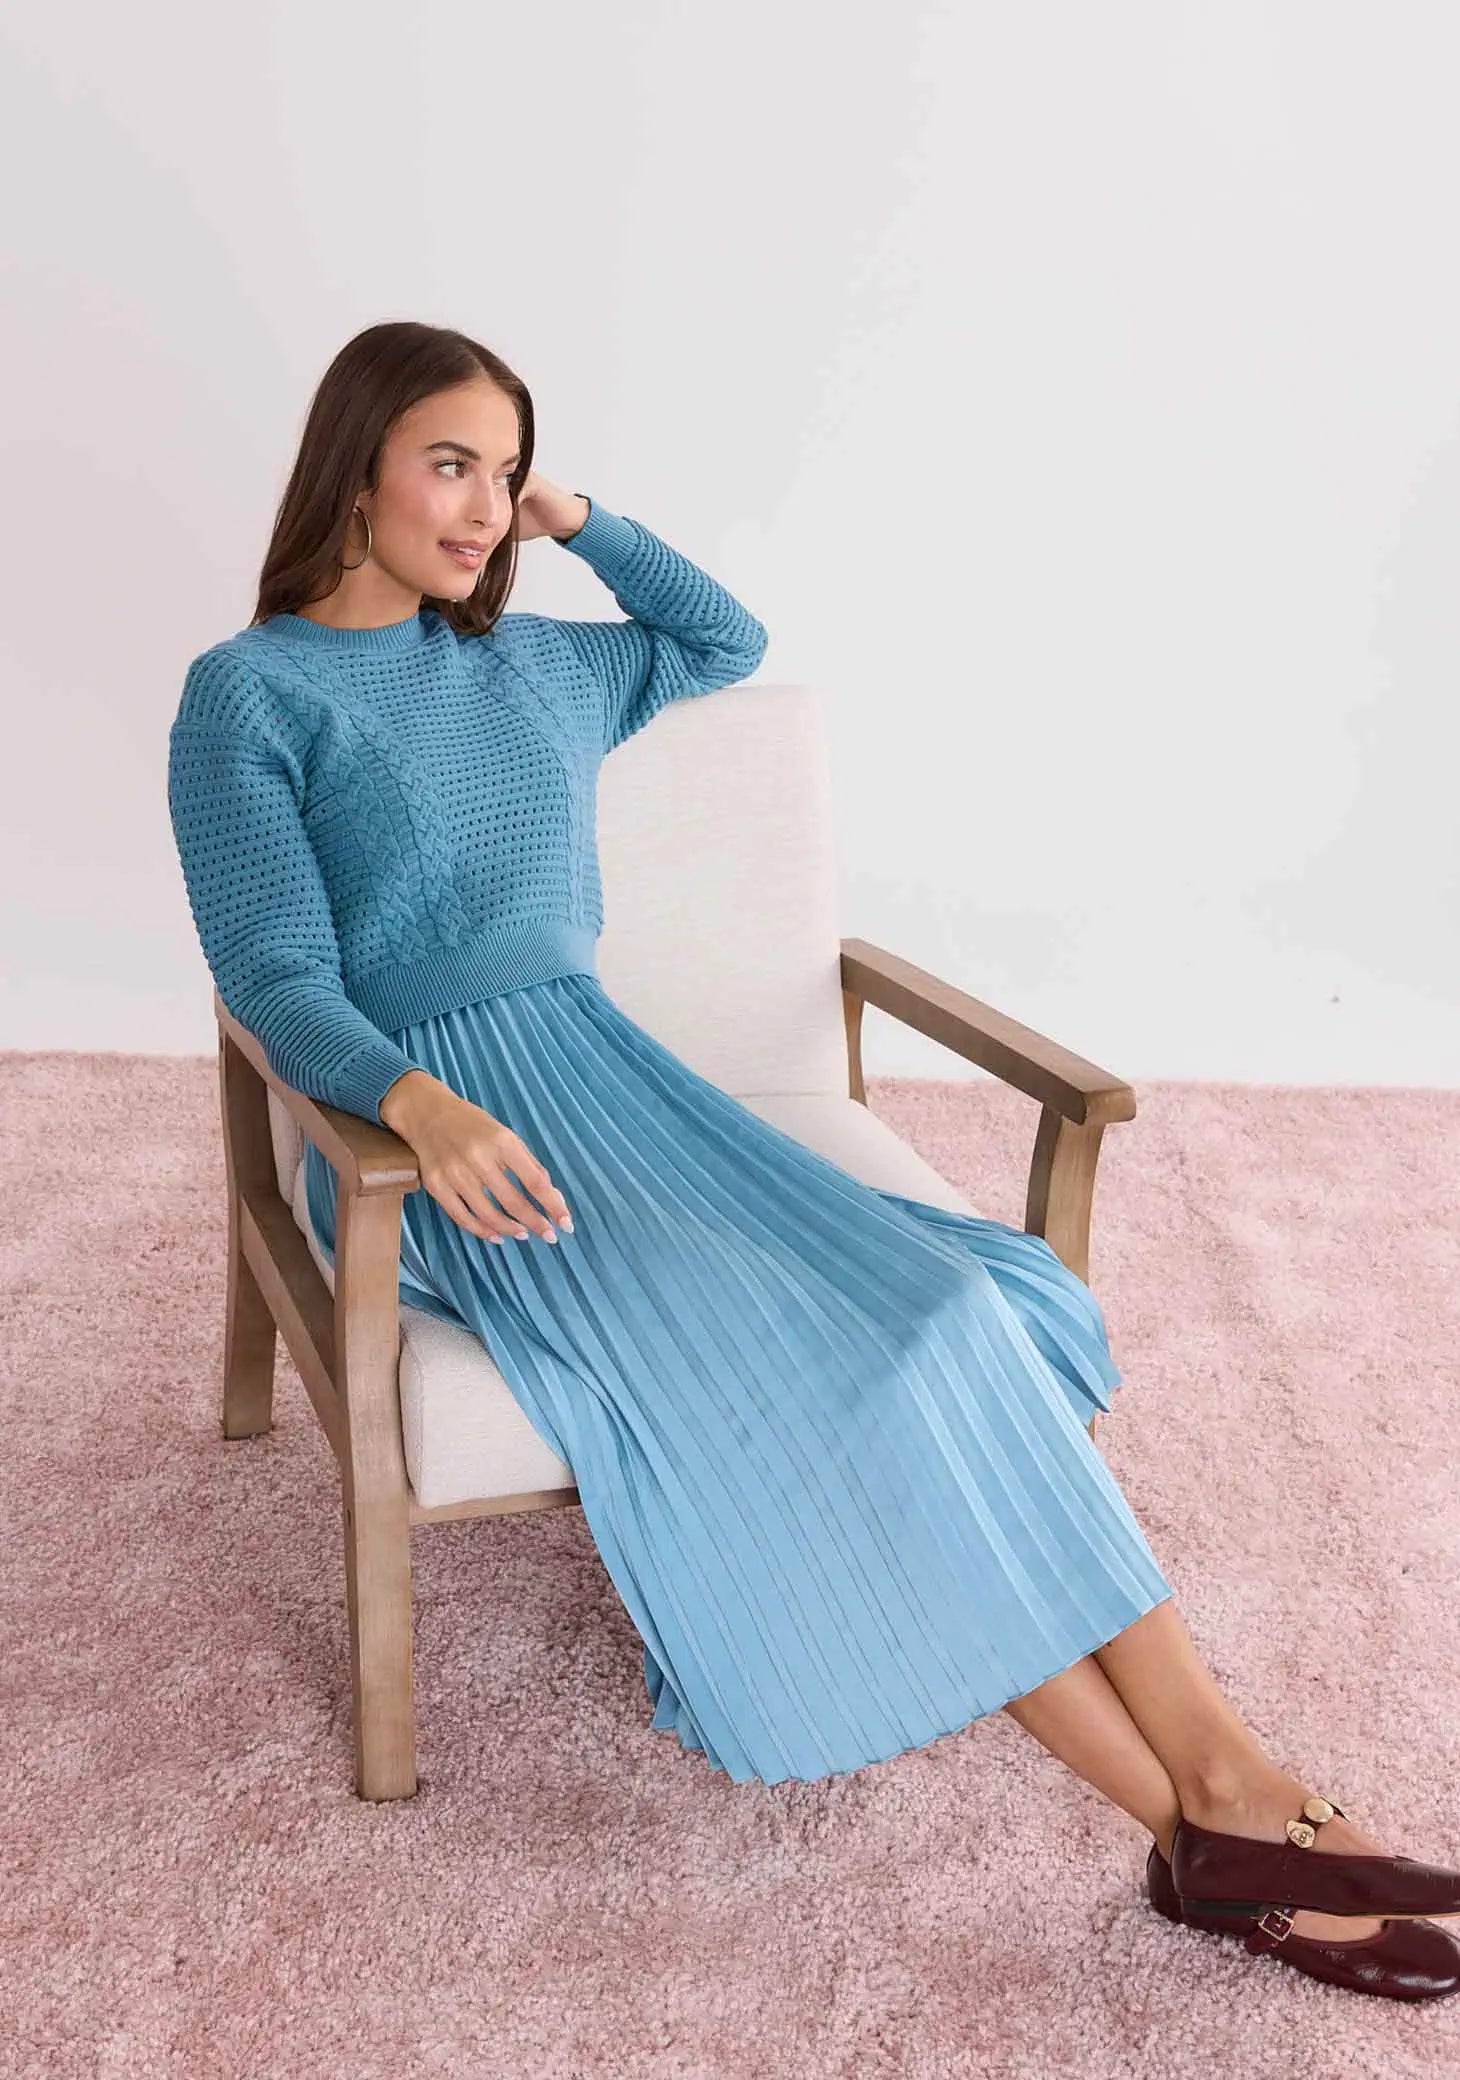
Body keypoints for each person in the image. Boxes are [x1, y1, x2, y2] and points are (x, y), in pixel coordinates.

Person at [166, 321, 1460, 2004]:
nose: (482, 506)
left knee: (948, 1310)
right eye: (447, 463)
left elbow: (721, 635)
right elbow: (273, 975)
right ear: (352, 463)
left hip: (620, 1080)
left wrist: (572, 514)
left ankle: (1228, 1790)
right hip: (453, 1139)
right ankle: (1194, 1823)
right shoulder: (248, 691)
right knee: (837, 1373)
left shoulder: (541, 662)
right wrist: (415, 1105)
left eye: (503, 467)